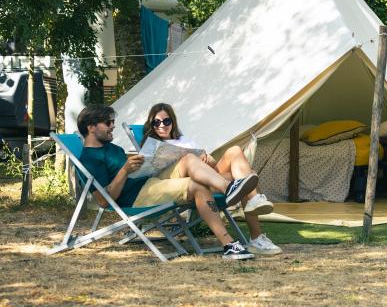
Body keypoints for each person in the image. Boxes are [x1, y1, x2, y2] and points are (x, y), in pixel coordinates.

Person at [77, 104, 256, 260]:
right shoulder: (89, 159)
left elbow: (131, 169)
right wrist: (125, 170)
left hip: (150, 181)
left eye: (112, 122)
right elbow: (103, 200)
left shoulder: (113, 148)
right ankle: (229, 245)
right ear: (91, 127)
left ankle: (230, 187)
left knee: (189, 157)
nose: (112, 127)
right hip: (136, 197)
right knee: (196, 185)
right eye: (108, 123)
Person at [142, 103, 282, 256]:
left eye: (166, 121)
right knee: (189, 158)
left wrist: (207, 159)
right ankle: (231, 189)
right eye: (157, 122)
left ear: (173, 122)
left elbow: (213, 165)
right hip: (174, 181)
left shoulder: (185, 141)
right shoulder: (150, 144)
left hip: (204, 176)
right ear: (151, 124)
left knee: (237, 154)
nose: (161, 125)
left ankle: (256, 231)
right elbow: (149, 171)